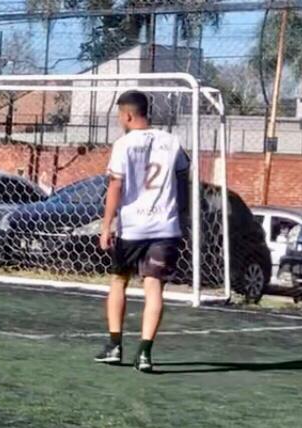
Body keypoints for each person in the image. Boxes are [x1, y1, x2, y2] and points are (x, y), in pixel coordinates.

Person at [94, 91, 191, 373]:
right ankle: (145, 353)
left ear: (127, 115)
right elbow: (183, 178)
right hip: (165, 227)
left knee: (118, 281)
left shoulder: (123, 144)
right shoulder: (172, 141)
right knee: (154, 287)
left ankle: (115, 346)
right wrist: (182, 215)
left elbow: (116, 185)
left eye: (119, 116)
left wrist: (106, 225)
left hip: (132, 227)